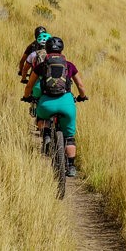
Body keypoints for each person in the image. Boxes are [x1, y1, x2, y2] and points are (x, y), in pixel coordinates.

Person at [23, 36, 88, 178]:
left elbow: (30, 85)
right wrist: (82, 96)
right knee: (69, 137)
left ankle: (46, 133)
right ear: (61, 49)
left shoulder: (41, 66)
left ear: (46, 49)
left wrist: (27, 97)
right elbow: (81, 86)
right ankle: (71, 166)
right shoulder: (69, 65)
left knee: (41, 117)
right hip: (66, 104)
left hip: (47, 104)